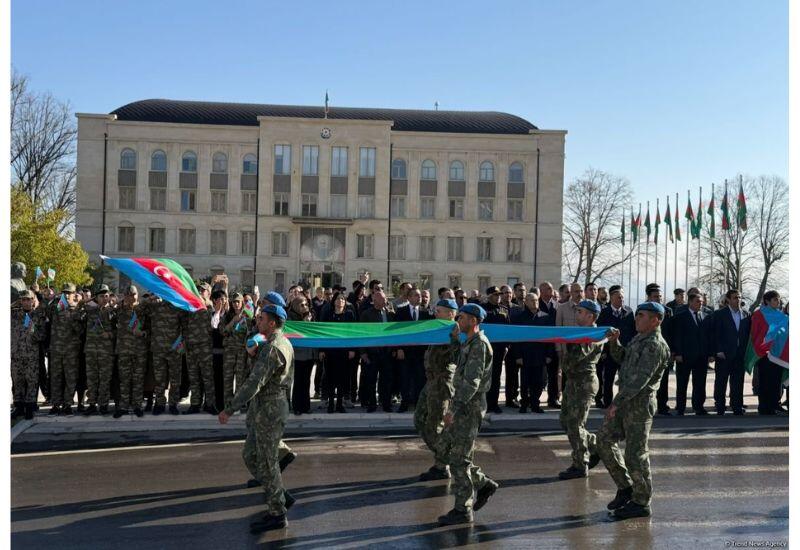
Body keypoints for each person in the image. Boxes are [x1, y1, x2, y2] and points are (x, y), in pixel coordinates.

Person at [219, 305, 295, 533]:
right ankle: (279, 496)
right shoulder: (280, 342)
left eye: (261, 319)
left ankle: (277, 513)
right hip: (267, 407)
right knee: (250, 455)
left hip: (270, 409)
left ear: (272, 323)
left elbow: (255, 383)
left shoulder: (273, 348)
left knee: (267, 461)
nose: (258, 322)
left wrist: (230, 409)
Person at [593, 302, 671, 519]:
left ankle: (641, 501)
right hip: (626, 401)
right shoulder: (640, 338)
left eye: (641, 315)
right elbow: (623, 359)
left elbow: (639, 380)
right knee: (603, 440)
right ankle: (626, 486)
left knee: (635, 454)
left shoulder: (655, 345)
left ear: (656, 320)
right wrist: (615, 342)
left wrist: (616, 403)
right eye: (637, 315)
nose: (636, 319)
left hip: (638, 405)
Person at [437, 303, 499, 526]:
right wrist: (455, 340)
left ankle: (463, 509)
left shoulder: (479, 345)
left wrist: (453, 409)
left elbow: (471, 382)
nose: (458, 320)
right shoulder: (469, 342)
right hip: (464, 403)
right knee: (445, 449)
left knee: (459, 459)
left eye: (461, 317)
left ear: (473, 321)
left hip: (469, 406)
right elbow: (460, 366)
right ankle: (483, 484)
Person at [558, 300, 604, 480]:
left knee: (575, 424)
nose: (576, 314)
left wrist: (568, 342)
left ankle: (580, 464)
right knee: (565, 421)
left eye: (580, 312)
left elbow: (577, 356)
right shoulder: (582, 333)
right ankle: (595, 445)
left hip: (583, 382)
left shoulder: (592, 334)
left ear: (590, 316)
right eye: (576, 311)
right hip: (574, 381)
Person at [414, 298, 459, 480]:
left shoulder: (455, 331)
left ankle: (444, 464)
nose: (435, 313)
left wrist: (455, 339)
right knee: (419, 420)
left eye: (439, 311)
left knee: (435, 426)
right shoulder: (439, 328)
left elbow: (458, 356)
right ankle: (445, 458)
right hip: (430, 382)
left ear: (450, 313)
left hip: (442, 384)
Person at [511, 291, 554, 414]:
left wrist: (549, 355)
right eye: (531, 300)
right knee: (525, 382)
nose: (535, 302)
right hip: (525, 355)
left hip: (540, 355)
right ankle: (524, 404)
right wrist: (518, 355)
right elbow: (516, 338)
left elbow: (550, 338)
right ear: (526, 302)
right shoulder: (520, 318)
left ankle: (535, 404)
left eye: (536, 300)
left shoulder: (545, 317)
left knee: (538, 382)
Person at [139, 296, 183, 415]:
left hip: (174, 350)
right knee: (159, 379)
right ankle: (159, 404)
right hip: (158, 349)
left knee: (175, 379)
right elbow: (139, 310)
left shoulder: (178, 307)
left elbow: (185, 326)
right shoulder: (155, 307)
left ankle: (173, 404)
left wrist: (180, 346)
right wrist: (148, 300)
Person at [179, 282, 217, 415]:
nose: (200, 292)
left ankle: (210, 404)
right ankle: (195, 404)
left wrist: (205, 301)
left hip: (204, 346)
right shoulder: (190, 306)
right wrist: (185, 339)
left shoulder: (210, 306)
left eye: (203, 290)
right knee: (194, 377)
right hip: (191, 346)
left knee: (207, 377)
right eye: (199, 290)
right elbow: (184, 323)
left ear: (209, 293)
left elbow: (215, 321)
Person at [711, 289, 751, 415]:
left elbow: (747, 334)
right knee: (721, 381)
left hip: (739, 354)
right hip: (724, 354)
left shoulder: (746, 314)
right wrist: (718, 350)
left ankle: (737, 406)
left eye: (739, 297)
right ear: (728, 299)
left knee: (738, 382)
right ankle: (720, 406)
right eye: (735, 297)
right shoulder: (719, 314)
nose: (738, 300)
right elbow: (716, 334)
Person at [670, 292, 710, 415]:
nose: (700, 304)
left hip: (701, 356)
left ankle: (698, 407)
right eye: (698, 302)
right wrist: (678, 353)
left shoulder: (706, 316)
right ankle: (680, 408)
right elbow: (677, 336)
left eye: (702, 302)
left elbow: (709, 337)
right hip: (685, 356)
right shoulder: (680, 316)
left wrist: (709, 353)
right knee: (682, 383)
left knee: (700, 383)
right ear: (690, 302)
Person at [47, 283, 84, 415]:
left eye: (69, 292)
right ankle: (56, 404)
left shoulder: (77, 310)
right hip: (56, 349)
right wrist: (54, 299)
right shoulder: (55, 307)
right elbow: (44, 310)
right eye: (65, 292)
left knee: (70, 378)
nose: (67, 295)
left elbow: (80, 331)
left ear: (74, 294)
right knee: (55, 378)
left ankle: (68, 404)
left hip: (71, 350)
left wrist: (74, 317)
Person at [81, 284, 117, 415]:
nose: (104, 298)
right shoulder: (90, 311)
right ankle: (91, 404)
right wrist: (86, 301)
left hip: (106, 352)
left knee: (105, 379)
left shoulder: (114, 312)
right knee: (91, 379)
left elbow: (121, 331)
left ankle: (103, 404)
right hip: (91, 351)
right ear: (96, 298)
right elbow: (76, 312)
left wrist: (110, 334)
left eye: (106, 296)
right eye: (101, 296)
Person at [596, 286, 634, 407]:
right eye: (619, 297)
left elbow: (632, 332)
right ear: (612, 298)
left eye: (622, 297)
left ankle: (622, 402)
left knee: (624, 379)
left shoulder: (629, 311)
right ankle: (607, 403)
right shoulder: (604, 312)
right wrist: (603, 352)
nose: (621, 299)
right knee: (608, 379)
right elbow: (601, 333)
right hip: (609, 352)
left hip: (625, 352)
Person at [395, 287, 431, 411]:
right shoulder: (401, 311)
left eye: (420, 295)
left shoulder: (426, 312)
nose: (419, 297)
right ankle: (404, 402)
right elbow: (397, 332)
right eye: (415, 295)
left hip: (421, 352)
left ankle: (418, 403)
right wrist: (399, 348)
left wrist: (428, 350)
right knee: (405, 377)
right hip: (405, 351)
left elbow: (429, 333)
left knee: (420, 378)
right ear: (409, 298)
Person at [11, 289, 45, 419]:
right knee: (17, 381)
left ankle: (30, 408)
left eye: (29, 299)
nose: (26, 302)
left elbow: (42, 336)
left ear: (33, 300)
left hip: (31, 356)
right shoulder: (13, 315)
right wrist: (15, 303)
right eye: (23, 299)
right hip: (16, 355)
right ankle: (18, 407)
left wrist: (33, 329)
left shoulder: (38, 316)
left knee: (31, 382)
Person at [320, 292, 356, 413]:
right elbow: (323, 334)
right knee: (330, 378)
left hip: (344, 352)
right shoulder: (328, 315)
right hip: (330, 352)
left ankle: (340, 404)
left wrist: (352, 349)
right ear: (334, 301)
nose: (340, 301)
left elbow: (353, 333)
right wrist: (322, 350)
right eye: (338, 299)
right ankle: (331, 404)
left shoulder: (349, 315)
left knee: (342, 378)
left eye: (342, 299)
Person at [358, 291, 395, 412]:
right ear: (375, 300)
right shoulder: (366, 314)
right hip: (372, 353)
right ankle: (372, 404)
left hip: (387, 353)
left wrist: (394, 349)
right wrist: (363, 352)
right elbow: (362, 334)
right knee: (371, 380)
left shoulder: (390, 313)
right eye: (382, 298)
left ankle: (386, 404)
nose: (385, 300)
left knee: (387, 380)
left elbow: (394, 334)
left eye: (385, 298)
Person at [114, 285, 147, 417]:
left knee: (138, 379)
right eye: (127, 295)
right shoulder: (119, 310)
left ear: (137, 295)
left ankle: (137, 405)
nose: (130, 297)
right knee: (124, 379)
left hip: (139, 350)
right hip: (123, 349)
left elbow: (153, 326)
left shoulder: (143, 309)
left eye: (133, 294)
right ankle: (123, 406)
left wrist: (143, 333)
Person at [751, 291, 785, 415]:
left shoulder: (780, 315)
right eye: (775, 299)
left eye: (779, 299)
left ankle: (775, 404)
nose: (778, 302)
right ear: (767, 301)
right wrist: (759, 348)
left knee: (776, 380)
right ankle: (764, 407)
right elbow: (754, 333)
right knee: (765, 380)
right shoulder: (758, 314)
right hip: (764, 353)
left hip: (779, 353)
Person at [644, 284, 674, 416]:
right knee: (646, 379)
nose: (658, 299)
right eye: (655, 297)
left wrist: (673, 351)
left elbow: (673, 332)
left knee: (664, 379)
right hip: (647, 350)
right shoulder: (642, 309)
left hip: (663, 350)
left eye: (660, 296)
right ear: (649, 298)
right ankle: (645, 406)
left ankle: (662, 405)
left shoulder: (668, 311)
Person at [482, 286, 511, 413]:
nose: (498, 296)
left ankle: (494, 403)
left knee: (496, 376)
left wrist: (506, 346)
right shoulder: (482, 309)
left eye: (499, 294)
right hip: (484, 349)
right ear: (489, 296)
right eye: (495, 295)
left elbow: (508, 329)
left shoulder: (504, 310)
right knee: (485, 376)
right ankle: (485, 403)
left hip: (499, 349)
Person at [222, 293, 252, 411]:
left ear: (242, 303)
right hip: (229, 351)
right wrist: (233, 321)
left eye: (238, 302)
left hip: (241, 352)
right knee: (228, 379)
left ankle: (238, 405)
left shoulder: (247, 317)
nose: (236, 304)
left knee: (240, 379)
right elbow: (223, 331)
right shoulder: (228, 316)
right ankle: (228, 405)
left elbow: (251, 333)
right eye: (234, 302)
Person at [288, 296, 316, 414]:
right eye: (301, 305)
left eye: (306, 304)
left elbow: (314, 333)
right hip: (298, 354)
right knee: (299, 381)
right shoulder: (290, 318)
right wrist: (304, 324)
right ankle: (297, 407)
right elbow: (292, 334)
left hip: (309, 353)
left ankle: (306, 406)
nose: (304, 307)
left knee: (306, 381)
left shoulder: (310, 316)